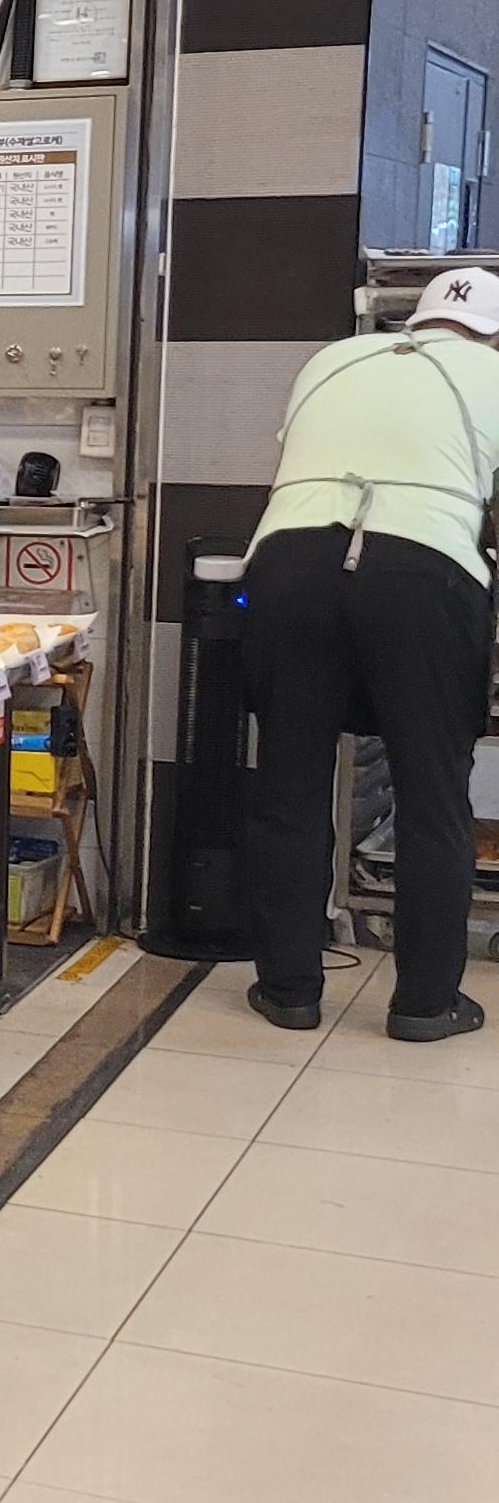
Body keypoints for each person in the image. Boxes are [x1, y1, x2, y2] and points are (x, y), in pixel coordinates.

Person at [241, 265, 499, 1039]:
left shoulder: (330, 360)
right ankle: (425, 1003)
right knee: (433, 793)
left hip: (290, 563)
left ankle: (289, 989)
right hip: (423, 574)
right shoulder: (491, 373)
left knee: (289, 783)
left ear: (414, 320)